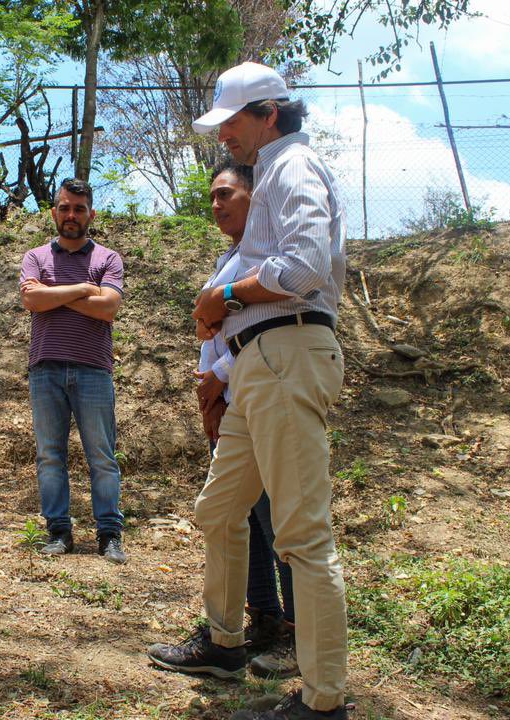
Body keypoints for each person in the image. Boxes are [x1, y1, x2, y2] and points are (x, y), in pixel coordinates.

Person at [147, 61, 347, 720]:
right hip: (259, 365)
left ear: (268, 113)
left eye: (232, 121)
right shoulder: (272, 176)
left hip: (288, 354)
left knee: (302, 537)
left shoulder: (292, 168)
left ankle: (324, 702)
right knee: (220, 509)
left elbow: (307, 265)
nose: (224, 135)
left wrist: (224, 294)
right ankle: (226, 643)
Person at [196, 161, 297, 675]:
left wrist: (218, 374)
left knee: (278, 521)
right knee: (240, 520)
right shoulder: (228, 258)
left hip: (257, 390)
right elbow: (212, 332)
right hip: (230, 403)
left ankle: (297, 637)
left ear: (255, 197)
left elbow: (270, 327)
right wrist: (209, 393)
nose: (217, 205)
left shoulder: (269, 255)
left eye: (227, 195)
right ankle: (263, 619)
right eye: (212, 197)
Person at [19, 178, 128, 565]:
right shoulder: (35, 257)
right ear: (54, 212)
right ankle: (58, 532)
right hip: (45, 368)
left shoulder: (109, 259)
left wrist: (55, 295)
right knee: (50, 455)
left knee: (102, 455)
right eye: (64, 207)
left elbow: (109, 308)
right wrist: (85, 288)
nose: (71, 215)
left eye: (79, 209)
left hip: (94, 369)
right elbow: (31, 299)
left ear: (91, 214)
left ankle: (109, 534)